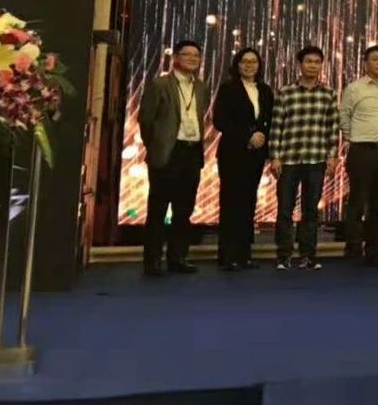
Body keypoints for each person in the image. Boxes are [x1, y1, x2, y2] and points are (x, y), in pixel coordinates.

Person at [138, 39, 211, 276]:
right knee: (158, 209)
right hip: (167, 152)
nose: (192, 59)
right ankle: (152, 261)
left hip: (192, 152)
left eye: (196, 56)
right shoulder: (159, 84)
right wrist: (156, 146)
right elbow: (146, 120)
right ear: (176, 58)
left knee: (184, 209)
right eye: (187, 54)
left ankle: (178, 258)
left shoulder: (201, 87)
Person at [268, 46, 340, 270]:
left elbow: (332, 128)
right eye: (309, 61)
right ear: (300, 64)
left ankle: (308, 255)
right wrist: (275, 157)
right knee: (285, 210)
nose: (313, 66)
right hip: (288, 159)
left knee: (311, 210)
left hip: (316, 159)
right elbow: (276, 126)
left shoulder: (328, 93)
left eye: (317, 62)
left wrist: (332, 157)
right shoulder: (285, 92)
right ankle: (283, 255)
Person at [212, 46, 274, 271]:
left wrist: (261, 136)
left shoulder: (265, 90)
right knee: (231, 203)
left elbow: (269, 119)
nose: (249, 65)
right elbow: (220, 121)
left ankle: (244, 254)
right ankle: (228, 255)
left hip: (255, 155)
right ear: (237, 65)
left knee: (249, 203)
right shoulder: (228, 89)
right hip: (232, 153)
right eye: (244, 61)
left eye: (253, 62)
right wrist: (248, 136)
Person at [339, 45, 378, 267]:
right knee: (357, 201)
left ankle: (373, 250)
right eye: (375, 59)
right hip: (361, 151)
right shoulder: (355, 88)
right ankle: (353, 247)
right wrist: (352, 137)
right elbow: (344, 116)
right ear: (366, 63)